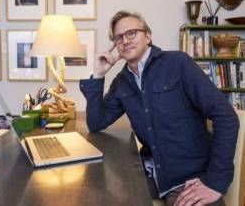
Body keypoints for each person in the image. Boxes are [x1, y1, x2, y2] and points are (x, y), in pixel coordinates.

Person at [79, 11, 239, 206]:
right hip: (149, 175)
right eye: (118, 37)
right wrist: (97, 74)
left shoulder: (178, 63)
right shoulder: (122, 82)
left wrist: (215, 182)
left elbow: (226, 117)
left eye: (132, 33)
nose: (125, 40)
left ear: (148, 35)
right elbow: (96, 122)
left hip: (187, 181)